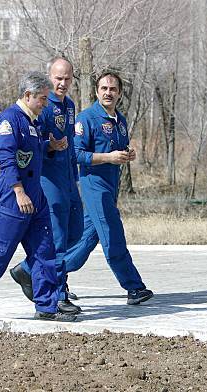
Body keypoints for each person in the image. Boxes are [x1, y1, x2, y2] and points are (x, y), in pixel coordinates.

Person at [0, 71, 77, 322]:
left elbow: (32, 151)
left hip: (35, 196)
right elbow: (7, 161)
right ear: (28, 95)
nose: (44, 103)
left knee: (44, 252)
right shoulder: (9, 121)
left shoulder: (33, 122)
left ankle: (47, 306)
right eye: (42, 98)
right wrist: (18, 192)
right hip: (14, 197)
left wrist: (50, 146)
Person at [65, 70, 153, 305]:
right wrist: (108, 157)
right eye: (104, 88)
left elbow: (118, 151)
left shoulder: (120, 121)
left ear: (120, 93)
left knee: (84, 242)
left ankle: (37, 272)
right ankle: (134, 288)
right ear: (96, 91)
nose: (108, 93)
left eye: (113, 89)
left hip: (111, 187)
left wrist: (127, 154)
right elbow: (76, 154)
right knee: (113, 235)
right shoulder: (86, 119)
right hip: (94, 187)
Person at [9, 57, 83, 314]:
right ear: (49, 77)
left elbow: (71, 143)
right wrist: (49, 146)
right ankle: (57, 293)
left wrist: (75, 177)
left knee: (77, 231)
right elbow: (31, 145)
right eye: (57, 78)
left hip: (68, 178)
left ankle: (27, 270)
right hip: (48, 179)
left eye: (67, 78)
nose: (62, 84)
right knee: (58, 238)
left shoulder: (70, 106)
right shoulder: (42, 105)